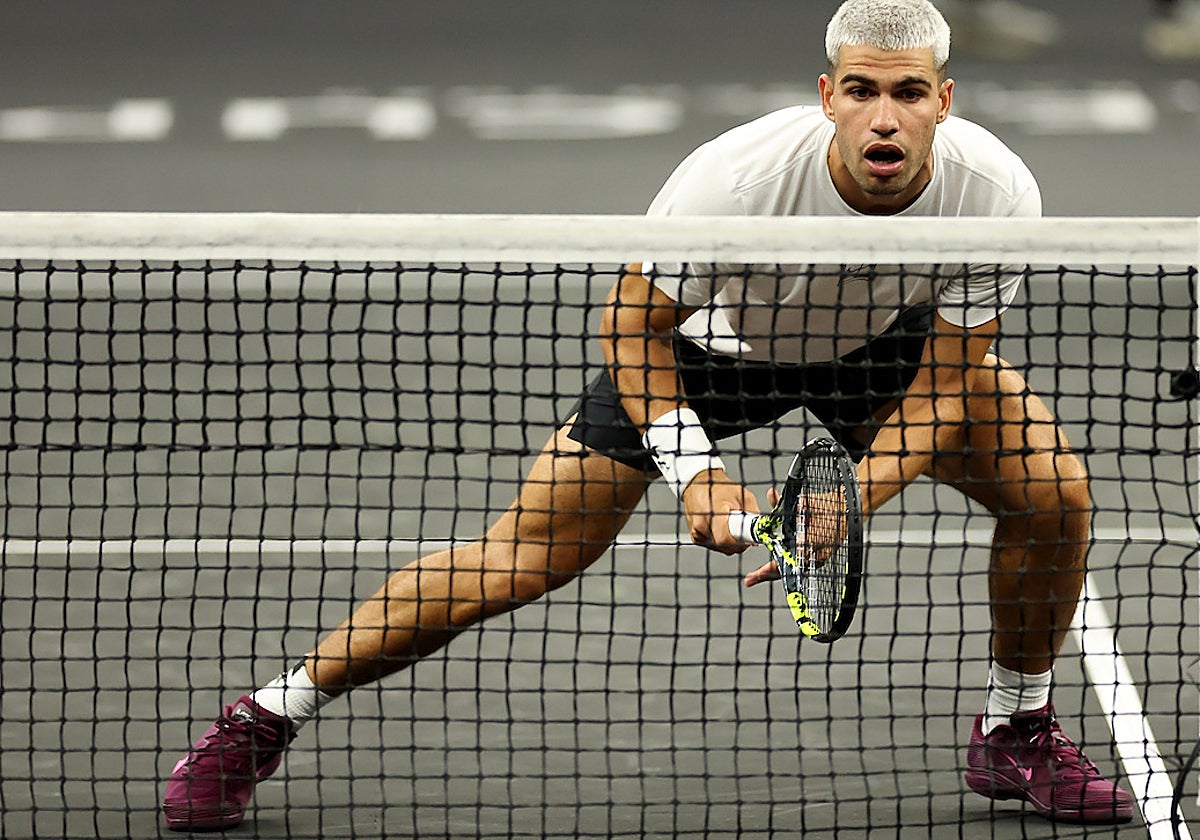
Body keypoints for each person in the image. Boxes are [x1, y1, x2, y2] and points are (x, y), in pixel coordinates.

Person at [161, 0, 1136, 829]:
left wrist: (855, 494)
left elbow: (949, 379)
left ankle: (1014, 731)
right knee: (521, 556)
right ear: (828, 94)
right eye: (864, 90)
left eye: (910, 92)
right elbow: (632, 328)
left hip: (883, 350)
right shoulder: (738, 181)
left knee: (1054, 494)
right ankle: (266, 715)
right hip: (706, 353)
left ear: (944, 99)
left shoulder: (994, 191)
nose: (886, 116)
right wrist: (698, 475)